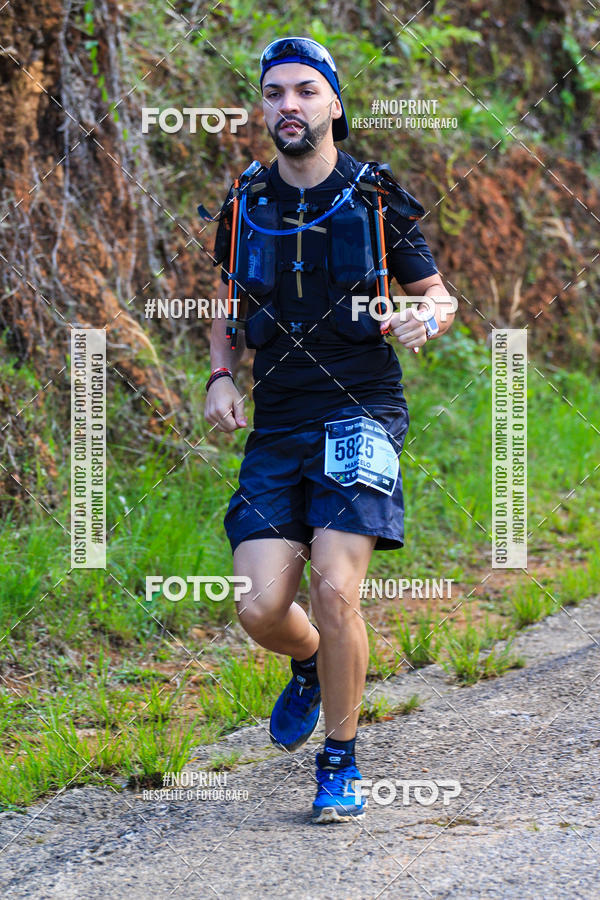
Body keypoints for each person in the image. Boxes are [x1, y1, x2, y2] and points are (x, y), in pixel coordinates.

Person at [204, 36, 454, 824]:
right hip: (278, 423)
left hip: (362, 412)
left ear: (334, 106)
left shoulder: (375, 198)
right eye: (274, 93)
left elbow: (439, 295)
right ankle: (308, 662)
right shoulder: (245, 204)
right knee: (258, 608)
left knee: (336, 590)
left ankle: (339, 762)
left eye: (305, 92)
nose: (288, 105)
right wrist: (218, 376)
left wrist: (425, 316)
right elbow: (223, 306)